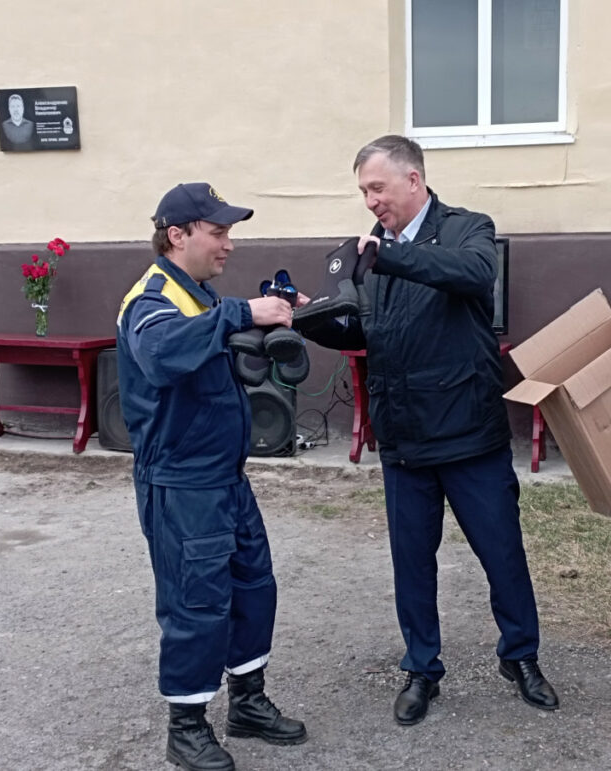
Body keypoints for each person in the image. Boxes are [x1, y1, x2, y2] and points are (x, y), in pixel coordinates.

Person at [300, 135, 559, 726]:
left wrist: (385, 257)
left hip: (468, 434)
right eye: (363, 191)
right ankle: (421, 667)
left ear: (413, 180)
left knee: (502, 554)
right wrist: (308, 318)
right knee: (412, 563)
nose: (370, 201)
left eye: (378, 188)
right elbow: (367, 332)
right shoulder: (376, 253)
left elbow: (471, 274)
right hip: (405, 440)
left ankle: (520, 657)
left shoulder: (467, 230)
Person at [117, 183, 307, 771]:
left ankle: (247, 703)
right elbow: (163, 355)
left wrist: (265, 317)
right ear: (178, 235)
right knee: (196, 603)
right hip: (179, 483)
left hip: (225, 477)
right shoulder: (151, 300)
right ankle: (187, 726)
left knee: (253, 586)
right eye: (218, 232)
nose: (229, 243)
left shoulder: (196, 294)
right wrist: (241, 313)